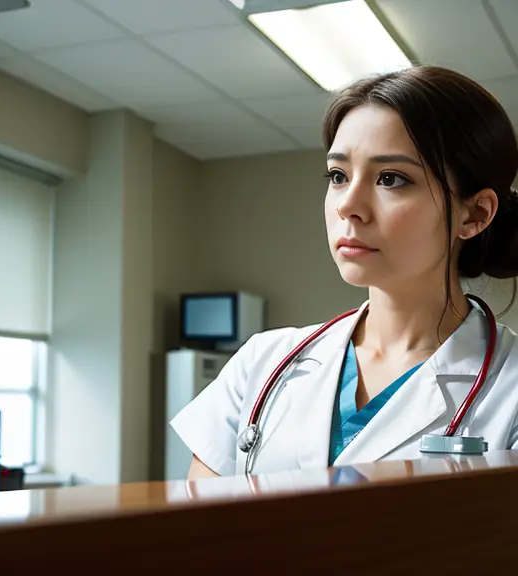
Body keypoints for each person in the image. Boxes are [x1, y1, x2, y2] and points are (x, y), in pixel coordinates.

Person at [171, 66, 518, 480]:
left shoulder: (509, 387)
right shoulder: (263, 363)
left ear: (475, 213)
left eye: (391, 179)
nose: (347, 205)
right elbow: (196, 536)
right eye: (338, 176)